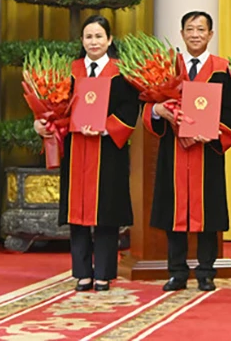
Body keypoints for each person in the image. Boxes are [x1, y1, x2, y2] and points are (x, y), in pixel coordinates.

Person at [35, 15, 141, 292]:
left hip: (108, 151)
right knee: (77, 213)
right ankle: (82, 273)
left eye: (99, 36)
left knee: (106, 212)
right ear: (82, 41)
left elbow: (130, 109)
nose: (94, 41)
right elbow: (58, 108)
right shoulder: (71, 71)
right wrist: (44, 123)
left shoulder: (122, 72)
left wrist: (105, 128)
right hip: (77, 149)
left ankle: (104, 273)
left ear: (109, 40)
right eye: (88, 37)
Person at [146, 11, 231, 292]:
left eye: (201, 29)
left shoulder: (223, 69)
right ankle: (176, 272)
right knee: (173, 211)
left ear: (211, 34)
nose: (196, 34)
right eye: (190, 29)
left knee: (208, 214)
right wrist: (158, 110)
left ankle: (206, 272)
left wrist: (214, 132)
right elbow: (150, 108)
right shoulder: (166, 68)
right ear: (182, 33)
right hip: (173, 151)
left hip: (208, 152)